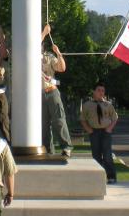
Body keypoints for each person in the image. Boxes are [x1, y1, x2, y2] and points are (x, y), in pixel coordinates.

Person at [41, 24, 72, 157]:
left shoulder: (48, 56)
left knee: (59, 120)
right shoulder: (28, 57)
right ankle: (48, 150)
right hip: (38, 96)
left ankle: (66, 147)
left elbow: (62, 68)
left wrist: (58, 53)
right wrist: (44, 33)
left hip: (51, 91)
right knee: (43, 125)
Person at [80, 82, 118, 183]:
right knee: (96, 155)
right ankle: (98, 177)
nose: (101, 92)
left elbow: (115, 118)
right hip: (94, 132)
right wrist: (89, 130)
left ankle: (111, 176)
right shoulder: (87, 105)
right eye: (99, 90)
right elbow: (83, 119)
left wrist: (110, 128)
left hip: (106, 132)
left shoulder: (108, 105)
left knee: (107, 155)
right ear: (94, 92)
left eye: (103, 91)